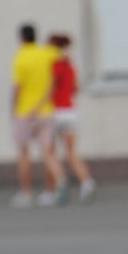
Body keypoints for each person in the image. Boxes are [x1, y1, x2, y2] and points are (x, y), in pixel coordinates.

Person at [9, 24, 61, 208]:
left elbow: (17, 88)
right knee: (48, 152)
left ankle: (26, 192)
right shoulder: (47, 53)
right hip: (46, 110)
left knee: (24, 153)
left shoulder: (20, 58)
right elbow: (61, 60)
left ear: (21, 38)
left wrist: (13, 110)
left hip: (24, 111)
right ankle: (51, 191)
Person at [46, 34, 95, 204]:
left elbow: (52, 86)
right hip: (71, 111)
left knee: (50, 153)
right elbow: (75, 88)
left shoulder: (55, 64)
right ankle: (86, 182)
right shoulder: (71, 65)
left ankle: (59, 184)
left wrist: (43, 102)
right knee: (71, 153)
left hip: (55, 112)